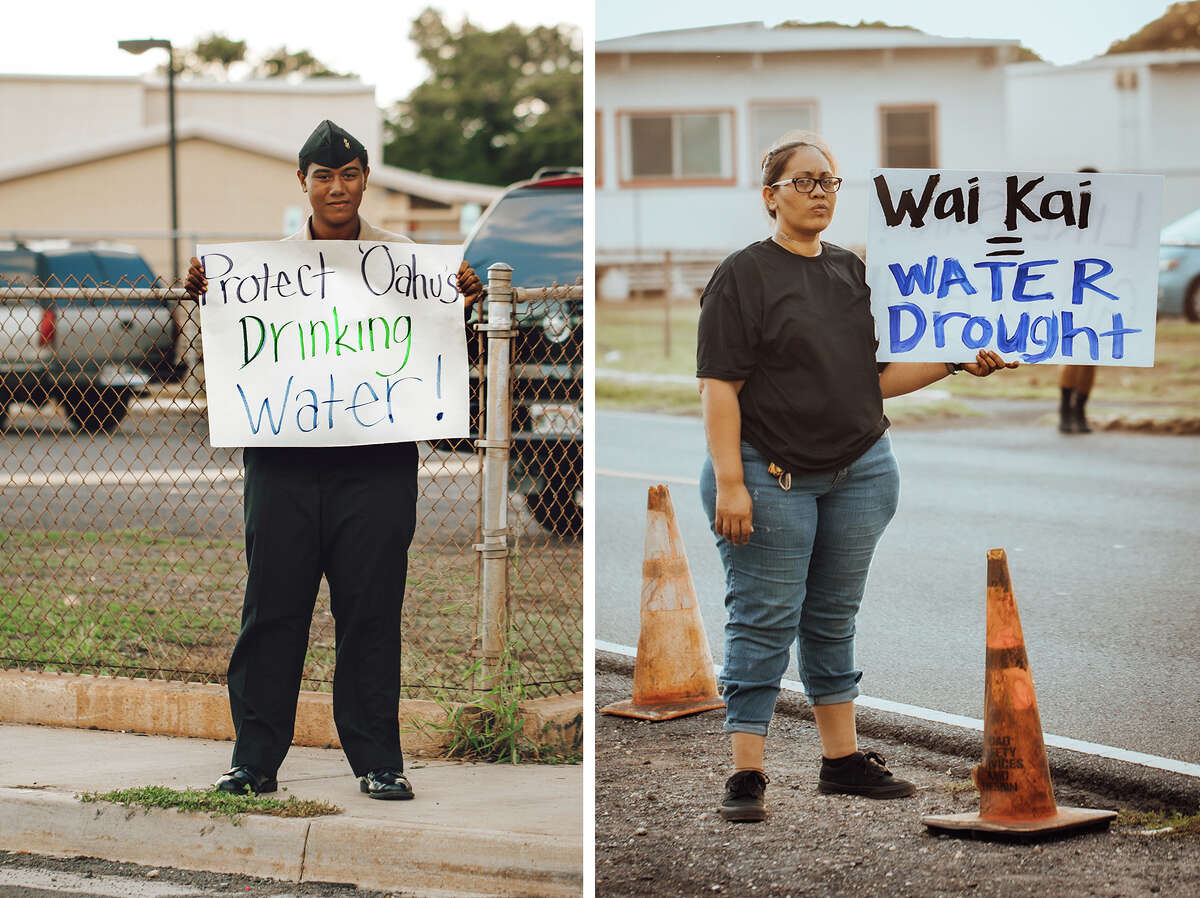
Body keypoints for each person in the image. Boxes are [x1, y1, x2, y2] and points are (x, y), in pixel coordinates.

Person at [696, 131, 1016, 823]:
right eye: (803, 180)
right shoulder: (743, 275)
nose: (818, 192)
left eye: (829, 182)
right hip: (769, 472)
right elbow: (719, 386)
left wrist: (959, 360)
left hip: (862, 470)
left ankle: (841, 761)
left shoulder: (851, 272)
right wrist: (730, 481)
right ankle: (746, 772)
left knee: (833, 619)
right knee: (763, 620)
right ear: (770, 195)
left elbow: (874, 381)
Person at [184, 120, 483, 800]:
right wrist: (209, 296)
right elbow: (235, 359)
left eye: (349, 175)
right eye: (324, 176)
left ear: (364, 180)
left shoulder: (405, 262)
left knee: (371, 610)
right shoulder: (259, 272)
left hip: (375, 466)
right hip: (283, 461)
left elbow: (428, 352)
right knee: (272, 610)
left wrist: (457, 299)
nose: (337, 187)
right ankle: (253, 761)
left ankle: (378, 760)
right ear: (303, 183)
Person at [1058, 167, 1100, 434]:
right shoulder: (1063, 215)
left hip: (1098, 291)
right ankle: (1065, 409)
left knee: (1093, 356)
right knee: (1074, 353)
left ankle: (1079, 408)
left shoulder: (1108, 219)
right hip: (1070, 291)